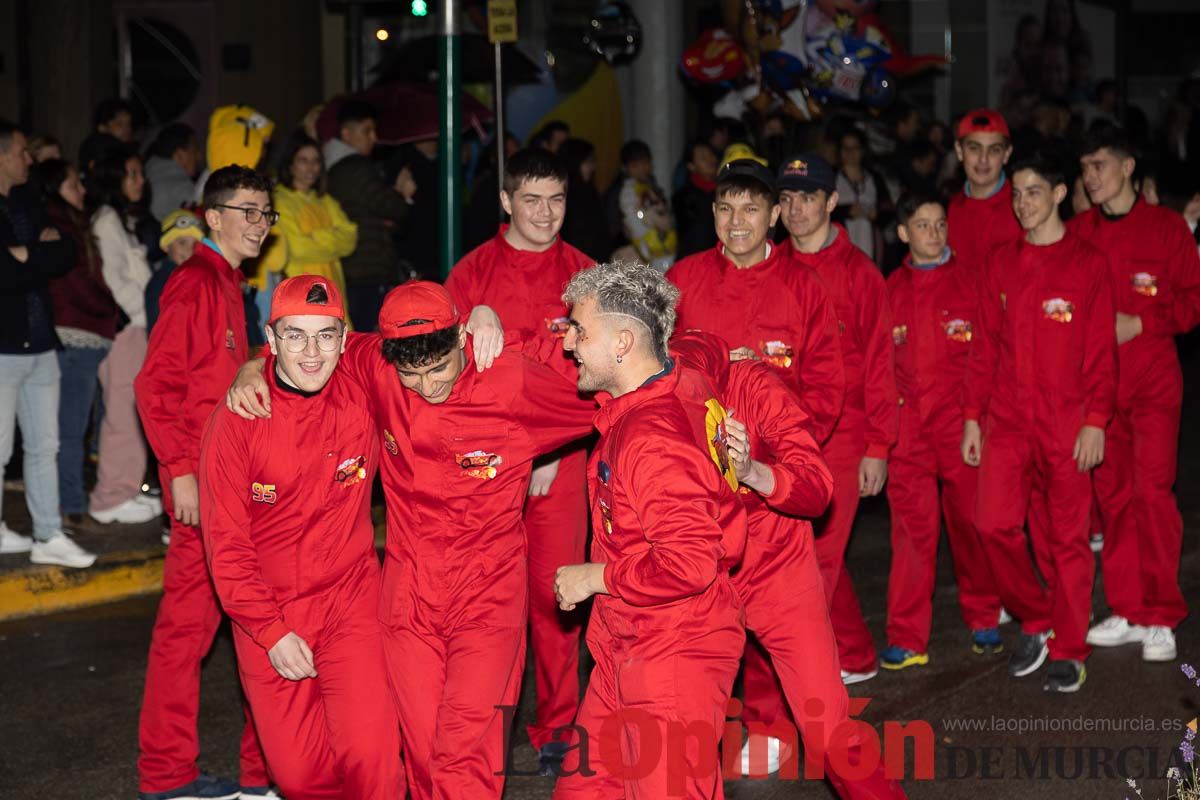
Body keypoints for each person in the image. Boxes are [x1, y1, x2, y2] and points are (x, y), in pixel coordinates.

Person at [227, 281, 591, 799]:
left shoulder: (510, 381)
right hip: (407, 598)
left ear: (464, 338)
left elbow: (609, 395)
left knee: (465, 754)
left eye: (438, 368)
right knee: (421, 753)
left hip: (486, 595)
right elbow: (306, 347)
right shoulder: (376, 366)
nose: (426, 386)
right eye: (411, 374)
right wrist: (250, 368)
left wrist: (555, 450)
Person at [199, 275, 402, 799]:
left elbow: (427, 345)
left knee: (374, 759)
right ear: (270, 340)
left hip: (350, 601)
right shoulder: (237, 421)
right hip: (270, 612)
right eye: (294, 335)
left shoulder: (365, 394)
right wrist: (270, 630)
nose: (311, 352)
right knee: (299, 777)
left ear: (345, 337)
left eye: (325, 335)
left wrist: (482, 321)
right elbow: (227, 547)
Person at [551, 261, 747, 799]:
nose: (569, 344)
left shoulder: (650, 437)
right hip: (626, 648)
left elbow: (690, 563)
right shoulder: (671, 381)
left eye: (580, 332)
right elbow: (706, 346)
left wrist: (596, 578)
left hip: (672, 655)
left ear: (623, 343)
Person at [443, 146, 596, 777]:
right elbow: (442, 381)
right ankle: (486, 724)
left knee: (556, 598)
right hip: (486, 470)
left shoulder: (587, 276)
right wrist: (470, 316)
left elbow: (598, 379)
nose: (544, 213)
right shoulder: (472, 272)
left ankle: (557, 724)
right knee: (488, 605)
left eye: (556, 199)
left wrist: (552, 451)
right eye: (530, 199)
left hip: (564, 465)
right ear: (505, 201)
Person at [134, 165, 275, 800]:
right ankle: (167, 773)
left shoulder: (227, 283)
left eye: (265, 212)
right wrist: (180, 474)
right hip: (202, 490)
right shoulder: (194, 282)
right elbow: (155, 385)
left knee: (234, 624)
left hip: (227, 484)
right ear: (212, 217)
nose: (258, 223)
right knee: (186, 634)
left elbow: (212, 379)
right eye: (246, 210)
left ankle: (257, 772)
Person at [962, 151, 1117, 693]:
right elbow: (984, 348)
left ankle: (1071, 648)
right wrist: (971, 418)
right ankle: (1038, 615)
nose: (1023, 203)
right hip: (1006, 419)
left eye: (1033, 192)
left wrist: (1096, 420)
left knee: (1068, 539)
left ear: (1057, 194)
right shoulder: (999, 262)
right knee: (991, 524)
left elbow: (1101, 352)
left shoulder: (1088, 263)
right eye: (1017, 194)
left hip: (1067, 421)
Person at [1074, 127, 1200, 663]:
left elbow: (1192, 306)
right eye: (1085, 168)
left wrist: (1140, 323)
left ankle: (1161, 615)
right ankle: (1127, 608)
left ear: (1127, 168)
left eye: (1100, 165)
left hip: (1152, 387)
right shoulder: (1077, 233)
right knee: (1114, 501)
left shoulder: (1167, 229)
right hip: (1098, 394)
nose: (1090, 177)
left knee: (1152, 496)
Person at [775, 153, 897, 685]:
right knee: (807, 552)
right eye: (787, 198)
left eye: (808, 197)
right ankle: (855, 652)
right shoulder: (770, 267)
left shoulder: (861, 275)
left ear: (831, 202)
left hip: (845, 437)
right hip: (781, 434)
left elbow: (880, 366)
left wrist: (879, 447)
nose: (797, 209)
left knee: (817, 558)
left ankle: (805, 674)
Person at [881, 192, 1002, 670]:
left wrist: (976, 417)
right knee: (912, 533)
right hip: (909, 430)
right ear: (904, 233)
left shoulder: (972, 283)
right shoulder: (889, 288)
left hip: (961, 425)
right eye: (923, 225)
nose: (934, 233)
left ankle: (985, 616)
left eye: (940, 224)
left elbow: (985, 357)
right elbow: (879, 365)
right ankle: (907, 636)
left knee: (971, 524)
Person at [0, 120, 96, 568]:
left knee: (46, 444)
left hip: (42, 342)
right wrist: (31, 254)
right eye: (21, 151)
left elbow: (66, 253)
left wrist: (24, 255)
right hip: (3, 346)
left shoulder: (26, 199)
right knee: (0, 451)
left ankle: (48, 534)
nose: (28, 160)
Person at [32, 159, 119, 528]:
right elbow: (78, 285)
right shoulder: (60, 227)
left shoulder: (67, 224)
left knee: (70, 428)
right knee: (70, 429)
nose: (82, 191)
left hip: (81, 335)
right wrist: (113, 307)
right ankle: (70, 505)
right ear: (55, 189)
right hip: (76, 336)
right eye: (73, 185)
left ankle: (68, 504)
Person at [85, 146, 160, 525]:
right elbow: (114, 281)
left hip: (136, 327)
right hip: (127, 329)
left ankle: (126, 489)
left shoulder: (121, 220)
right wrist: (146, 314)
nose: (140, 180)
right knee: (123, 413)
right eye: (131, 173)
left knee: (133, 412)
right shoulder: (106, 220)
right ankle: (110, 497)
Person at [323, 99, 416, 330]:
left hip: (357, 266)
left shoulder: (337, 168)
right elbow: (391, 207)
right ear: (346, 134)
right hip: (365, 269)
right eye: (367, 131)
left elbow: (370, 211)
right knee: (370, 341)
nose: (373, 137)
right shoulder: (354, 167)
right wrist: (404, 195)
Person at [269, 133, 356, 313]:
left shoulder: (326, 200)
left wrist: (316, 236)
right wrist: (333, 240)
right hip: (301, 293)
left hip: (334, 289)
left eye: (316, 161)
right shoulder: (280, 200)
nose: (311, 167)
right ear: (290, 165)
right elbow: (298, 248)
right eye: (303, 160)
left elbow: (351, 239)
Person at [947, 109, 1021, 275]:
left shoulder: (1022, 206)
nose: (983, 159)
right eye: (974, 148)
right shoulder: (952, 208)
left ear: (1006, 154)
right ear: (959, 151)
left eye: (994, 150)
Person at [616, 139, 676, 272]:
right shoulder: (628, 190)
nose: (642, 168)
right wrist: (643, 242)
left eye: (645, 162)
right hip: (644, 251)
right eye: (635, 165)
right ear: (626, 168)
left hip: (662, 245)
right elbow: (631, 218)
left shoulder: (652, 186)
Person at [834, 127, 891, 266]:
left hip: (871, 247)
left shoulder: (875, 179)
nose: (850, 152)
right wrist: (846, 211)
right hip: (839, 249)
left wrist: (877, 214)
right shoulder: (831, 178)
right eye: (846, 148)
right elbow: (821, 211)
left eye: (855, 148)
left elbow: (889, 211)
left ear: (863, 151)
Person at [146, 209, 204, 333]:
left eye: (195, 244)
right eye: (182, 243)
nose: (190, 250)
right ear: (166, 245)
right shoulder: (161, 284)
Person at [559, 137, 610, 262]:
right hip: (580, 265)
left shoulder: (587, 191)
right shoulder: (568, 195)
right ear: (575, 163)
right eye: (588, 162)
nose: (592, 167)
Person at [672, 138, 720, 260]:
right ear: (691, 166)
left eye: (711, 155)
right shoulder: (683, 198)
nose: (711, 160)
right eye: (703, 158)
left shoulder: (724, 193)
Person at [144, 122, 200, 222]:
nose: (199, 157)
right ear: (179, 155)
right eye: (194, 151)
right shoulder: (182, 188)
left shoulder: (147, 169)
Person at [78, 98, 134, 174]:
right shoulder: (102, 152)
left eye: (128, 124)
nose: (127, 128)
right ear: (102, 128)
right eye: (119, 124)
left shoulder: (127, 149)